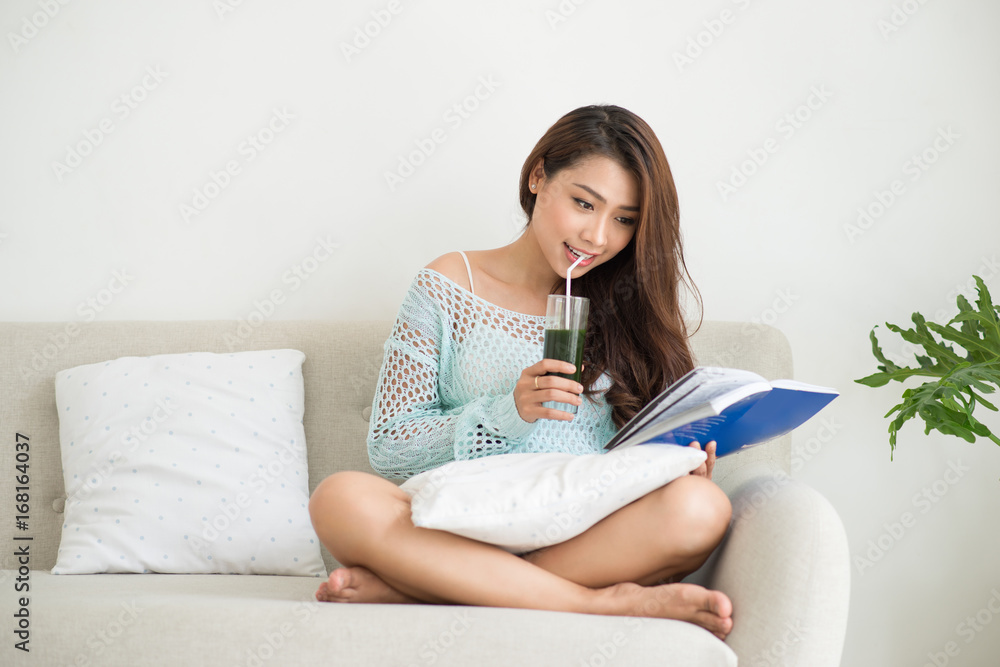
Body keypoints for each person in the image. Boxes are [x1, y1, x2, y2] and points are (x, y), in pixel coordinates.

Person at [308, 104, 734, 640]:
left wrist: (675, 461)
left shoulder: (628, 305)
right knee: (340, 498)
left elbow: (632, 458)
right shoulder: (448, 285)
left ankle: (425, 588)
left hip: (581, 529)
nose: (598, 237)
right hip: (460, 523)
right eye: (585, 203)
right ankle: (595, 604)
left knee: (701, 509)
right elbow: (392, 447)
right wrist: (506, 414)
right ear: (538, 178)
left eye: (624, 219)